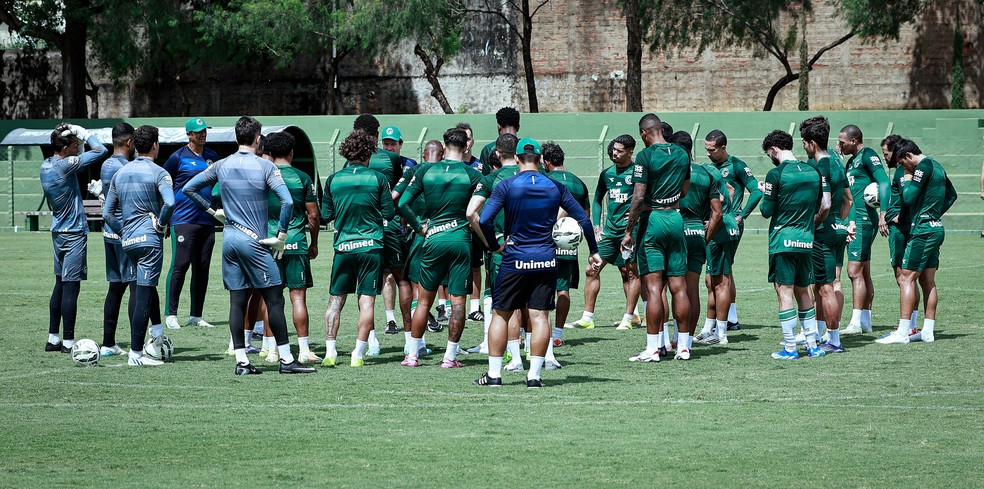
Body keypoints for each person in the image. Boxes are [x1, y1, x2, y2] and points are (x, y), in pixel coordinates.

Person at [183, 116, 315, 375]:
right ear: (258, 139)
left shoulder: (221, 164)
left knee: (237, 300)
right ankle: (287, 360)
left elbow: (189, 188)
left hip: (230, 239)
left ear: (236, 138)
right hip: (254, 241)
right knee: (274, 298)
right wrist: (282, 235)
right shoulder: (265, 167)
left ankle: (242, 362)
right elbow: (287, 202)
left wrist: (213, 212)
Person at [473, 137, 600, 388]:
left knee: (501, 314)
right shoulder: (555, 187)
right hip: (545, 258)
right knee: (540, 315)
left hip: (515, 257)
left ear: (517, 159)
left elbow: (484, 219)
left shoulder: (506, 185)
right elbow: (584, 221)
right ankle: (534, 377)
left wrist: (492, 245)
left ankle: (494, 375)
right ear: (541, 160)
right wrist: (594, 250)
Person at [397, 127, 483, 368]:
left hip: (432, 238)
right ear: (466, 147)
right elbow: (481, 210)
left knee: (423, 300)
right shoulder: (472, 175)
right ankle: (450, 357)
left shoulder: (425, 170)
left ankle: (412, 355)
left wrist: (419, 227)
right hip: (460, 240)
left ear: (444, 147)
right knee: (458, 302)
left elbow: (403, 203)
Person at [621, 114, 692, 362]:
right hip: (675, 218)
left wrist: (629, 230)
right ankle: (683, 347)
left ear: (643, 133)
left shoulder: (645, 156)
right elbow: (684, 189)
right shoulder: (683, 154)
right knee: (679, 286)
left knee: (653, 288)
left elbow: (639, 197)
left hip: (653, 221)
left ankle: (652, 348)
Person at [321, 129, 395, 366]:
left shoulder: (333, 179)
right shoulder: (378, 179)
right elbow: (389, 213)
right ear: (368, 153)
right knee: (367, 301)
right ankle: (358, 354)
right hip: (371, 246)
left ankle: (330, 353)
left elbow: (325, 215)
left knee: (335, 300)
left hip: (344, 247)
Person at [103, 125, 174, 366]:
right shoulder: (160, 173)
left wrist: (122, 231)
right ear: (155, 145)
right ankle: (136, 354)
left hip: (128, 242)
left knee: (144, 287)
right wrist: (162, 225)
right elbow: (170, 203)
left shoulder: (119, 174)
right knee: (143, 292)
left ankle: (155, 334)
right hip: (149, 241)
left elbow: (107, 213)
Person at [878, 139, 957, 344]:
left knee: (906, 278)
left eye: (903, 164)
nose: (903, 168)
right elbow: (952, 195)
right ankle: (928, 332)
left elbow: (909, 197)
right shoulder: (937, 165)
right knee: (927, 281)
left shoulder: (922, 167)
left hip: (922, 230)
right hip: (935, 227)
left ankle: (903, 332)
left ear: (909, 156)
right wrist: (933, 214)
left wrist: (907, 181)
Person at [41, 122, 108, 353]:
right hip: (73, 233)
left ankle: (53, 338)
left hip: (58, 231)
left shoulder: (46, 165)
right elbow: (100, 151)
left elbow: (79, 156)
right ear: (66, 146)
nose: (78, 146)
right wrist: (86, 133)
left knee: (59, 284)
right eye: (75, 144)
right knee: (71, 287)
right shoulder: (65, 166)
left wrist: (69, 135)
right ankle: (68, 342)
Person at [759, 130, 826, 360]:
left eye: (769, 154)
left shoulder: (775, 174)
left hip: (783, 240)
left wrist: (766, 193)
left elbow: (766, 210)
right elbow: (822, 205)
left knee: (784, 293)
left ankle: (789, 348)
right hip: (806, 239)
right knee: (804, 292)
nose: (770, 157)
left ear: (775, 149)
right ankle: (813, 345)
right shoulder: (813, 171)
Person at [567, 135, 641, 332]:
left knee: (630, 272)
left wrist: (634, 222)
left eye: (619, 150)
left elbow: (644, 198)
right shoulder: (607, 174)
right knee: (592, 268)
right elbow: (598, 199)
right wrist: (597, 227)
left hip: (630, 232)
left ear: (630, 151)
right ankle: (587, 318)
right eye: (613, 150)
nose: (614, 153)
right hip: (610, 232)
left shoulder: (638, 172)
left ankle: (630, 317)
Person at [259, 131, 322, 364]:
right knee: (298, 298)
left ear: (271, 153)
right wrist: (314, 243)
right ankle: (304, 350)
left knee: (271, 299)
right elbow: (314, 216)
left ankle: (273, 350)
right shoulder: (302, 177)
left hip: (268, 243)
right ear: (292, 152)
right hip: (296, 243)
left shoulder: (262, 176)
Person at [465, 134, 522, 361]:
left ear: (497, 153)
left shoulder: (491, 179)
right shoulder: (537, 177)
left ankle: (512, 358)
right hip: (537, 249)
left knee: (504, 307)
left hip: (505, 250)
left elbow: (472, 214)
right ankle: (545, 357)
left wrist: (491, 244)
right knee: (537, 310)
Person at [799, 116, 853, 353]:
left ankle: (834, 341)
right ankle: (823, 335)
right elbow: (849, 199)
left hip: (823, 232)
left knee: (825, 287)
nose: (803, 146)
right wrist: (839, 225)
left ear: (811, 143)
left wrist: (814, 225)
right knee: (824, 284)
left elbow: (826, 204)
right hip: (837, 230)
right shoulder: (838, 163)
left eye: (803, 142)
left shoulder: (819, 166)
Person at [355, 115, 408, 353]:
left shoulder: (350, 164)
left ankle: (371, 342)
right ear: (376, 136)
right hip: (390, 225)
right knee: (402, 279)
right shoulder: (391, 159)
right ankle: (412, 342)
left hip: (361, 230)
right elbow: (399, 189)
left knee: (366, 286)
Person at [162, 117, 220, 329]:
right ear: (189, 134)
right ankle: (171, 313)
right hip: (183, 219)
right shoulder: (177, 157)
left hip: (207, 219)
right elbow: (164, 186)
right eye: (198, 132)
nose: (203, 134)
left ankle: (196, 315)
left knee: (202, 268)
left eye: (204, 130)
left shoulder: (212, 156)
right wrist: (165, 218)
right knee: (180, 264)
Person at [671, 131, 723, 353]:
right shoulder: (706, 173)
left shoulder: (672, 171)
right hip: (696, 235)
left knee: (667, 288)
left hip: (674, 232)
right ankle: (687, 341)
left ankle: (667, 339)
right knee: (692, 290)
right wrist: (705, 237)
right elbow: (718, 212)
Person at [705, 129, 762, 331]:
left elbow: (756, 191)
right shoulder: (709, 168)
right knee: (725, 272)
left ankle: (721, 322)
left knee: (715, 276)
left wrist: (741, 215)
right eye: (706, 150)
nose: (708, 153)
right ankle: (731, 318)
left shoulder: (737, 166)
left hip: (729, 224)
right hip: (714, 222)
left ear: (723, 147)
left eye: (712, 150)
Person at [838, 124, 890, 334]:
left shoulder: (868, 155)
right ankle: (866, 321)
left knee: (853, 272)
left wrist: (883, 214)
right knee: (864, 271)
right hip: (854, 220)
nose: (840, 144)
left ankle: (855, 322)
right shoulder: (851, 162)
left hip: (863, 221)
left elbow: (884, 182)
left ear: (854, 140)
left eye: (842, 141)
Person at [541, 141, 590, 348]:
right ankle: (557, 334)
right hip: (568, 246)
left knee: (541, 291)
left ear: (547, 161)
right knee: (563, 290)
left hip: (544, 244)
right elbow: (585, 217)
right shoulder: (578, 182)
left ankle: (540, 333)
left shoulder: (543, 180)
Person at [94, 122, 136, 357]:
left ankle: (108, 342)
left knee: (115, 288)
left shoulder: (106, 164)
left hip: (108, 233)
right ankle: (137, 343)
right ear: (129, 142)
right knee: (135, 286)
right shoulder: (125, 167)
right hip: (124, 233)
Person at [878, 134, 921, 341]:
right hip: (907, 227)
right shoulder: (902, 171)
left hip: (900, 229)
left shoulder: (901, 173)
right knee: (910, 279)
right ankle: (911, 324)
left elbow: (907, 199)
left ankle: (908, 326)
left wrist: (896, 217)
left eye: (886, 153)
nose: (885, 157)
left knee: (903, 278)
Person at [380, 125, 420, 333]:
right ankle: (390, 319)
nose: (389, 147)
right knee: (388, 275)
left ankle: (417, 315)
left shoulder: (410, 164)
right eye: (385, 143)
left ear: (400, 144)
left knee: (408, 275)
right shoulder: (376, 163)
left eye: (392, 144)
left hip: (406, 226)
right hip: (387, 226)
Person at [457, 121, 486, 322]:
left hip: (474, 224)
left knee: (476, 266)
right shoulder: (451, 166)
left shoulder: (480, 166)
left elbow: (487, 194)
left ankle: (474, 308)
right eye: (462, 138)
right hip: (455, 225)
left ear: (472, 140)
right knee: (452, 266)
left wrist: (475, 217)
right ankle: (447, 307)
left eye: (468, 137)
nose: (466, 142)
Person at [479, 107, 520, 175]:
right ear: (518, 127)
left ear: (499, 127)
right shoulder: (527, 146)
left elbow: (483, 177)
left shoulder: (488, 149)